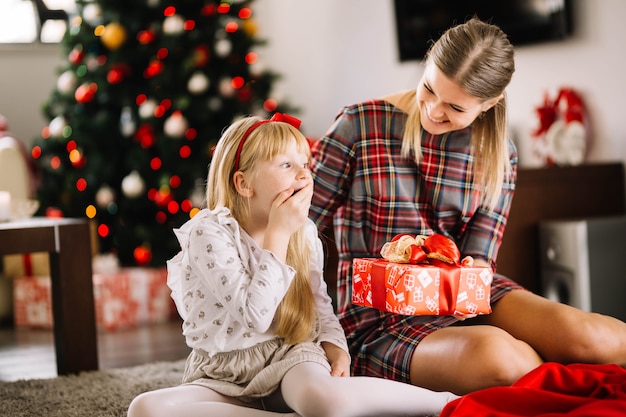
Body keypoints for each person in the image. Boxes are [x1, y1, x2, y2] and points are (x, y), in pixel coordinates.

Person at [309, 17, 626, 396]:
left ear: (490, 104)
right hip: (378, 319)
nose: (433, 111)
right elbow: (296, 227)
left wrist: (470, 272)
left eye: (455, 107)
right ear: (427, 63)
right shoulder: (358, 126)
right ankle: (556, 378)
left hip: (465, 297)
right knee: (503, 360)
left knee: (598, 339)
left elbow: (479, 260)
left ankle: (556, 372)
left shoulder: (498, 153)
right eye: (429, 89)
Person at [127, 114, 457, 417]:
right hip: (221, 373)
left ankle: (444, 402)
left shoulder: (304, 232)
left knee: (327, 401)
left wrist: (335, 347)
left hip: (290, 358)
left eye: (305, 164)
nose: (303, 174)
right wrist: (278, 232)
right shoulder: (209, 232)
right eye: (286, 165)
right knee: (146, 409)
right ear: (244, 184)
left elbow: (319, 305)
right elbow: (255, 315)